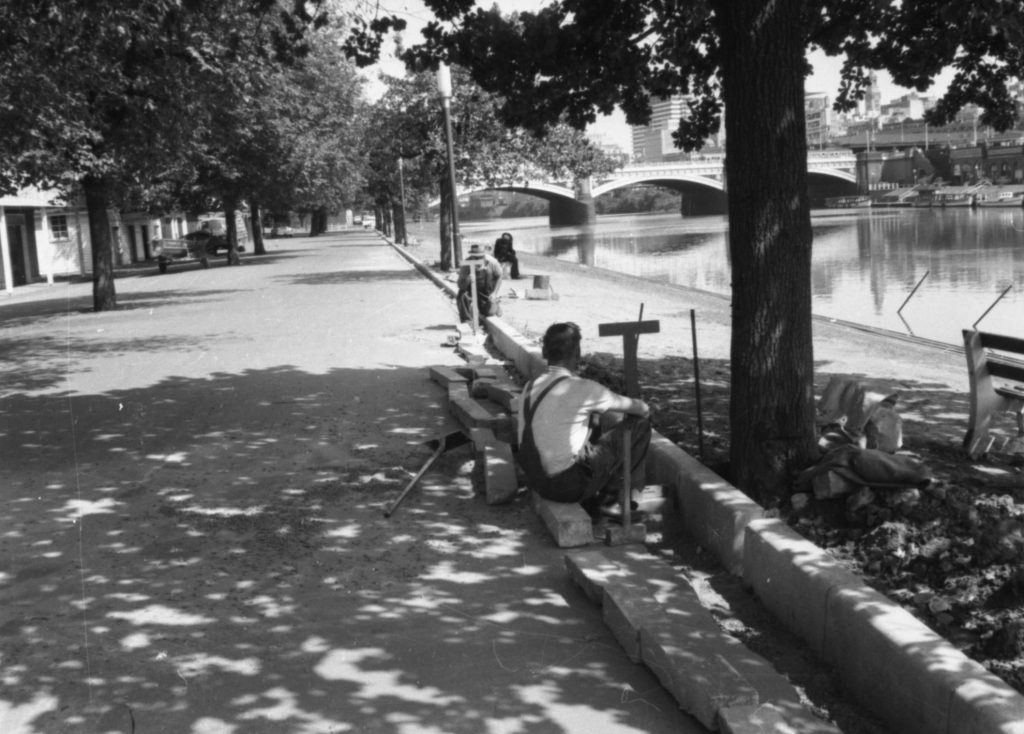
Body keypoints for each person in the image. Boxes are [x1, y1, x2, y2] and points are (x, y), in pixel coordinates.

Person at [517, 322, 651, 518]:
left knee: (592, 418)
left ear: (545, 352)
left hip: (537, 480)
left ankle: (600, 491)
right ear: (577, 354)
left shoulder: (531, 386)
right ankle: (612, 501)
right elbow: (641, 409)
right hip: (567, 487)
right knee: (640, 425)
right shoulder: (584, 389)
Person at [456, 242, 503, 323]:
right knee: (462, 296)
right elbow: (460, 285)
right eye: (475, 258)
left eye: (480, 257)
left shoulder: (492, 262)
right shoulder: (466, 264)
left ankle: (495, 305)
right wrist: (467, 280)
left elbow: (499, 276)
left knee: (489, 312)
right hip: (471, 291)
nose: (478, 260)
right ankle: (467, 320)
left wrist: (494, 293)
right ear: (472, 256)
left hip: (486, 291)